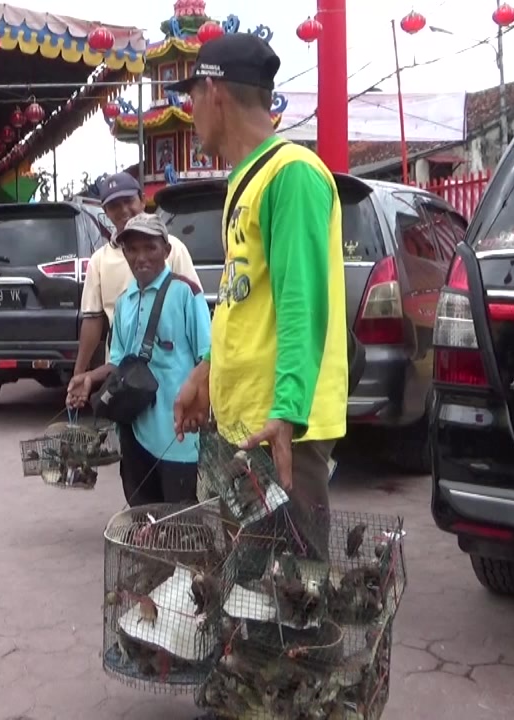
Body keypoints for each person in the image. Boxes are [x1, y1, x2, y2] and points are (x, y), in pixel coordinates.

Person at [170, 33, 348, 555]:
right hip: (246, 426)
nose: (190, 110)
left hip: (280, 433)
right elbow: (244, 304)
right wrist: (205, 373)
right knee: (248, 603)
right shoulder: (247, 181)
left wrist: (287, 412)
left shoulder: (291, 175)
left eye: (192, 96)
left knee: (293, 608)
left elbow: (301, 304)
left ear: (215, 91)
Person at [67, 214, 211, 506]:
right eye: (132, 249)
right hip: (133, 432)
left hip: (177, 436)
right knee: (142, 518)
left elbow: (208, 357)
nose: (140, 257)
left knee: (181, 524)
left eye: (150, 248)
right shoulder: (124, 302)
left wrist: (203, 407)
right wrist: (89, 378)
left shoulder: (186, 293)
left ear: (167, 251)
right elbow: (120, 362)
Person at [73, 172, 200, 380]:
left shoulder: (174, 248)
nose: (123, 210)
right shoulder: (99, 261)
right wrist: (79, 374)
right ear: (105, 211)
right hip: (124, 380)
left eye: (128, 201)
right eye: (114, 205)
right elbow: (93, 319)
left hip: (172, 376)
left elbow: (196, 315)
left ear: (142, 200)